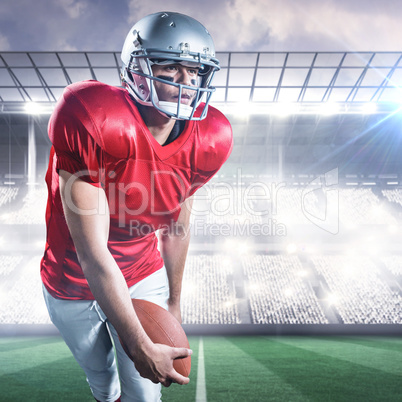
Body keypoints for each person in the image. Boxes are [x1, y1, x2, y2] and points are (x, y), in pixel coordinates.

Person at [40, 11, 233, 402]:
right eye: (170, 67)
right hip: (73, 279)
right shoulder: (92, 115)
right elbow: (93, 254)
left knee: (145, 396)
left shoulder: (210, 137)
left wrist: (174, 304)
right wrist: (136, 342)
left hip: (142, 274)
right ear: (135, 69)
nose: (186, 82)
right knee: (103, 383)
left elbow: (177, 227)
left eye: (195, 71)